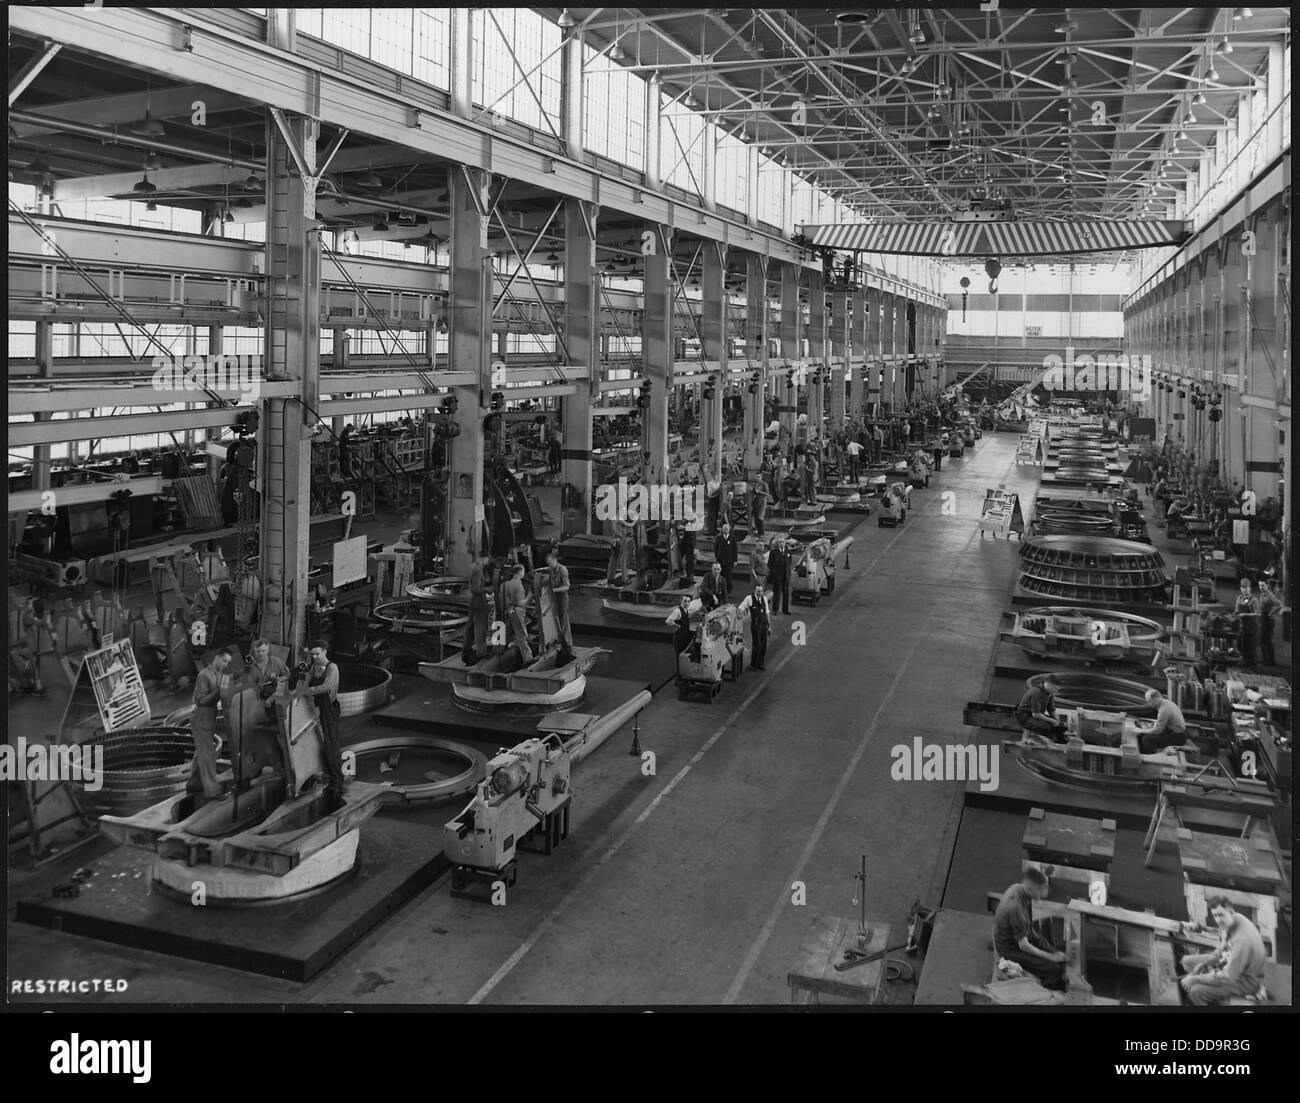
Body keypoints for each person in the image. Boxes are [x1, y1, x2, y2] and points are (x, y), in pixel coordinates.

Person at [1179, 897, 1269, 1006]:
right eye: (1215, 916)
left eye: (1221, 915)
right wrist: (1205, 964)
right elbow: (1221, 952)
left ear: (1231, 912)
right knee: (1187, 961)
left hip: (1245, 981)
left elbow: (1228, 976)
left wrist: (1197, 979)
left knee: (1196, 991)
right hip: (1230, 965)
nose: (1218, 920)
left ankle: (1203, 999)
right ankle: (1195, 991)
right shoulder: (1231, 921)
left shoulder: (1242, 941)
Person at [993, 868, 1069, 991]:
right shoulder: (1015, 908)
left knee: (1055, 954)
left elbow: (1028, 926)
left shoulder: (1019, 889)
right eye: (1040, 890)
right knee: (1055, 970)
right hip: (1010, 949)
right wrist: (1050, 957)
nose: (1043, 894)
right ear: (1029, 888)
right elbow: (1024, 946)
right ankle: (1045, 992)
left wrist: (1048, 949)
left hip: (1021, 937)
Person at [292, 640, 345, 799]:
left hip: (328, 709)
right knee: (316, 741)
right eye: (312, 654)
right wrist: (297, 688)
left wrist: (307, 691)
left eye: (317, 653)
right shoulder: (314, 668)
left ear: (325, 652)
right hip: (316, 708)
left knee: (330, 743)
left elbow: (326, 687)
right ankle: (325, 774)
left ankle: (337, 780)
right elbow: (305, 681)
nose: (314, 656)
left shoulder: (332, 668)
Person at [187, 648, 234, 805]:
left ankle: (194, 784)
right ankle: (212, 792)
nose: (225, 664)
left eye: (228, 662)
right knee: (208, 755)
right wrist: (218, 693)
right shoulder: (204, 675)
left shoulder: (220, 673)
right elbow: (200, 700)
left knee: (201, 751)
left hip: (209, 717)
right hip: (201, 718)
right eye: (224, 660)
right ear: (216, 657)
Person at [1138, 688, 1190, 754]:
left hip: (1177, 737)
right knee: (1145, 734)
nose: (1148, 704)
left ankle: (1155, 756)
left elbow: (1157, 731)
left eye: (1148, 701)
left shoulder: (1164, 710)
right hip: (1174, 732)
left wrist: (1140, 730)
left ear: (1155, 699)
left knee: (1146, 739)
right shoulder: (1166, 702)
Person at [1015, 676, 1068, 741]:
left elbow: (1051, 711)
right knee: (1046, 727)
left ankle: (1058, 739)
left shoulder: (1050, 693)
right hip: (1025, 716)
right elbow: (1036, 715)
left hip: (1036, 715)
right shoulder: (1037, 692)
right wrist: (1053, 721)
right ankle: (1039, 739)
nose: (1056, 691)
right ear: (1049, 684)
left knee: (1061, 727)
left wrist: (1058, 722)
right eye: (1055, 688)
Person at [463, 552, 492, 664]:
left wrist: (488, 580)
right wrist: (487, 590)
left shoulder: (475, 566)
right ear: (483, 558)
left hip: (473, 600)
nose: (488, 562)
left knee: (470, 625)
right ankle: (481, 653)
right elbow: (475, 588)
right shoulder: (477, 569)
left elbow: (481, 582)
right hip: (478, 600)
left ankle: (466, 649)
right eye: (487, 560)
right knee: (480, 627)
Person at [546, 547, 574, 664]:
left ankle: (567, 643)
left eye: (550, 562)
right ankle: (560, 641)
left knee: (563, 619)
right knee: (556, 619)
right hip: (554, 598)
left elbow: (567, 586)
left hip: (562, 597)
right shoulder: (551, 570)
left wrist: (554, 590)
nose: (548, 564)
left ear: (554, 560)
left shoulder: (563, 570)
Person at [502, 563, 534, 664]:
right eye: (523, 571)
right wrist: (529, 595)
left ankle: (498, 651)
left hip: (509, 611)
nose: (524, 573)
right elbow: (520, 602)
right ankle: (528, 659)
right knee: (522, 636)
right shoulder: (518, 586)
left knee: (506, 633)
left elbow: (503, 600)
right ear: (520, 572)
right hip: (517, 612)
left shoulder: (505, 584)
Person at [1257, 579, 1286, 668]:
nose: (1261, 587)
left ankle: (1269, 661)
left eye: (1263, 585)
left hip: (1267, 619)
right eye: (1260, 585)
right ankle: (1265, 659)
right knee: (1263, 639)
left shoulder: (1270, 595)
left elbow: (1280, 604)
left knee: (1267, 639)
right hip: (1263, 617)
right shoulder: (1263, 594)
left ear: (1267, 586)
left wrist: (1271, 613)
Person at [1234, 578, 1261, 668]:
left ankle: (1252, 665)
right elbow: (1237, 610)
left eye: (1246, 588)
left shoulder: (1254, 600)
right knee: (1241, 645)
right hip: (1242, 626)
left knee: (1251, 646)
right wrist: (1236, 613)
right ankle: (1243, 662)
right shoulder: (1239, 598)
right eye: (1243, 588)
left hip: (1251, 626)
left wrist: (1245, 614)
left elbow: (1258, 613)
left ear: (1250, 588)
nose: (1244, 590)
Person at [665, 595, 696, 674]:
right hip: (679, 638)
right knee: (679, 658)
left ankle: (684, 675)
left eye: (688, 601)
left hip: (685, 637)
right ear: (681, 601)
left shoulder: (686, 611)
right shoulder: (678, 611)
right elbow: (668, 621)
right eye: (685, 601)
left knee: (684, 658)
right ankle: (679, 678)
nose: (687, 603)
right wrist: (676, 626)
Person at [747, 582, 772, 671]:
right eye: (758, 591)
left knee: (763, 645)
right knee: (757, 645)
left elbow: (767, 613)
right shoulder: (749, 598)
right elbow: (741, 608)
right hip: (755, 625)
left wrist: (769, 626)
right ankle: (753, 664)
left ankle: (760, 663)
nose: (760, 593)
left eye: (761, 591)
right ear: (754, 591)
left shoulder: (764, 599)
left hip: (764, 625)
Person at [767, 536, 790, 615]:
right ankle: (775, 610)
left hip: (786, 576)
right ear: (777, 544)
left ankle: (785, 610)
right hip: (777, 577)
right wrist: (774, 574)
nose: (781, 544)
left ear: (785, 543)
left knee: (786, 594)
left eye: (782, 542)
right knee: (777, 594)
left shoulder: (788, 552)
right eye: (780, 542)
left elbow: (789, 563)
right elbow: (770, 564)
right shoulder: (773, 552)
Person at [714, 523, 739, 590]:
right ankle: (720, 589)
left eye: (727, 529)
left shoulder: (732, 538)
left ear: (729, 530)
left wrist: (735, 560)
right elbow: (716, 548)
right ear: (722, 530)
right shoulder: (719, 538)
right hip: (720, 560)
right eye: (724, 529)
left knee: (728, 576)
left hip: (729, 560)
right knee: (720, 575)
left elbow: (735, 550)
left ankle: (729, 590)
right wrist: (717, 557)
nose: (725, 530)